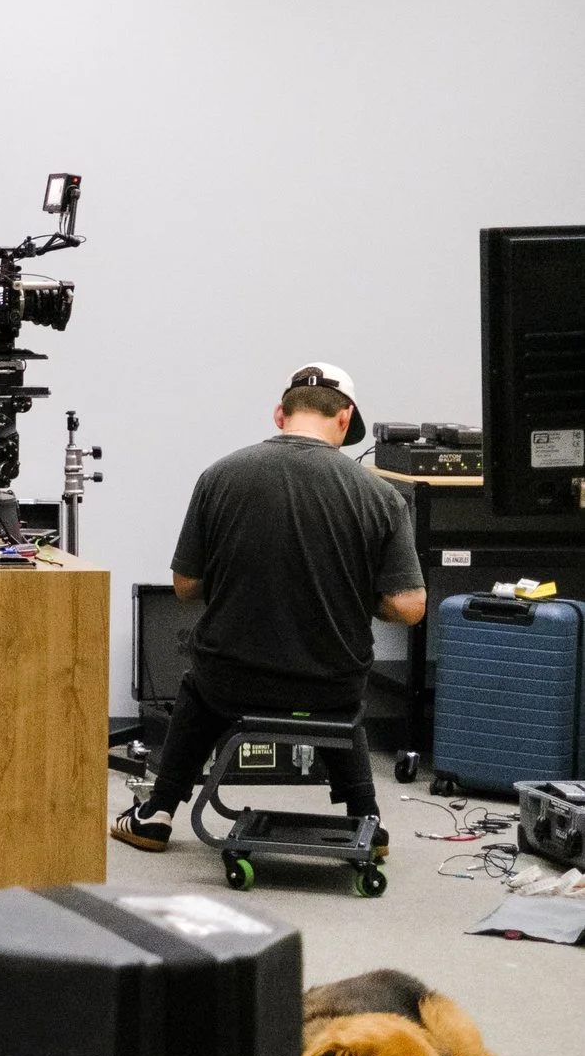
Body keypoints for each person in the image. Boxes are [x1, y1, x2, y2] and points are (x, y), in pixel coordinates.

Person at [113, 363, 425, 856]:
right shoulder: (380, 496)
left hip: (233, 684)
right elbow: (409, 608)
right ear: (344, 420)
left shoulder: (219, 476)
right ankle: (366, 817)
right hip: (330, 687)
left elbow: (184, 586)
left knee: (201, 682)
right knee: (342, 695)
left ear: (280, 413)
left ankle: (157, 812)